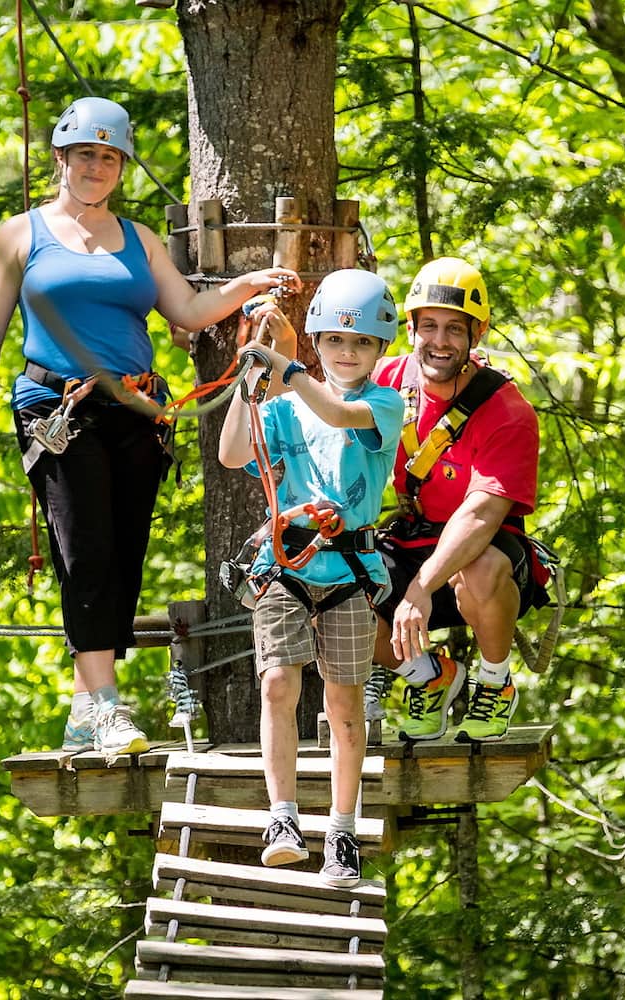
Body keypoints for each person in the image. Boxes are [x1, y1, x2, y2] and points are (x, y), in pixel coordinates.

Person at [0, 96, 299, 759]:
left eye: (109, 157)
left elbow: (190, 307)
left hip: (137, 410)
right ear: (60, 157)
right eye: (85, 153)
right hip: (57, 408)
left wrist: (249, 283)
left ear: (121, 167)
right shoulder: (21, 235)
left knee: (122, 555)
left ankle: (87, 709)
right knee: (84, 552)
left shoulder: (139, 240)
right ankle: (108, 709)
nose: (96, 167)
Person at [218, 269, 403, 888]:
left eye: (362, 345)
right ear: (320, 341)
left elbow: (339, 411)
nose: (347, 354)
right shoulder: (284, 406)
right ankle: (283, 818)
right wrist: (255, 374)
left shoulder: (382, 405)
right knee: (276, 686)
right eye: (335, 342)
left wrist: (288, 364)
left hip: (348, 569)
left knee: (344, 702)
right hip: (286, 566)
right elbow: (233, 454)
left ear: (379, 350)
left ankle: (342, 828)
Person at [366, 256, 548, 743]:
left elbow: (481, 514)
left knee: (481, 567)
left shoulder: (506, 410)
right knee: (332, 582)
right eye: (429, 326)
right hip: (412, 540)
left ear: (477, 334)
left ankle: (494, 681)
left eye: (454, 329)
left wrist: (421, 588)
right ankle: (427, 676)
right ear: (410, 328)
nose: (440, 341)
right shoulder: (387, 382)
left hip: (482, 551)